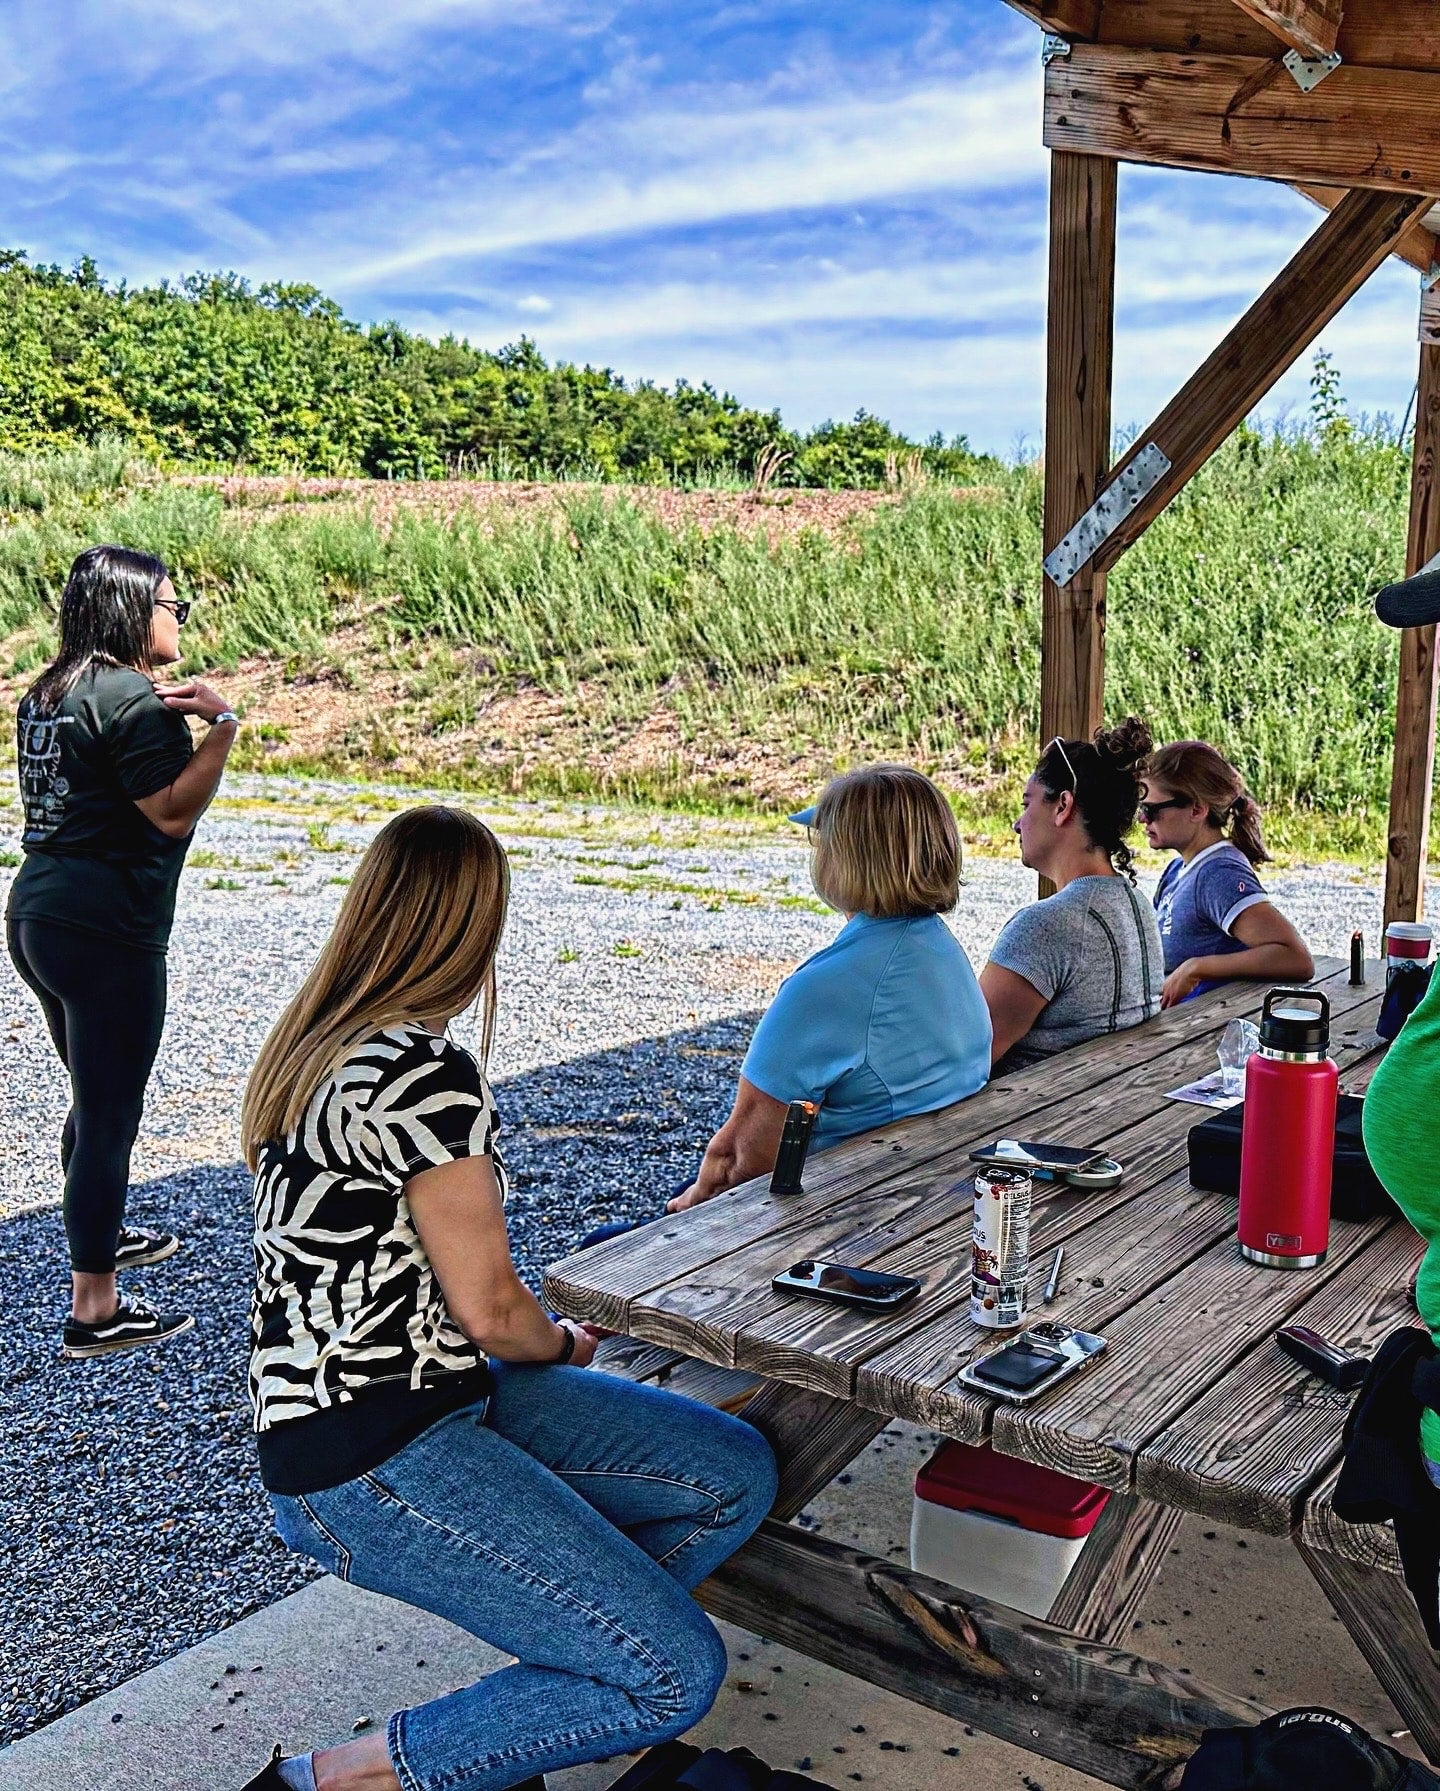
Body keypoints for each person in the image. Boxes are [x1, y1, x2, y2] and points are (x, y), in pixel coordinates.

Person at [239, 806, 777, 1791]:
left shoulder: (312, 1047)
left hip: (430, 1395)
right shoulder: (425, 1073)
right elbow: (491, 1309)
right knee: (673, 1676)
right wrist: (565, 1344)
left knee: (732, 1471)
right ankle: (328, 1780)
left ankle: (535, 1705)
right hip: (367, 1451)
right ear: (470, 930)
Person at [6, 544, 239, 1358]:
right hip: (107, 927)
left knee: (92, 1091)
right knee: (111, 1111)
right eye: (173, 604)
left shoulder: (49, 691)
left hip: (38, 913)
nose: (180, 617)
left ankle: (98, 1231)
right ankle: (94, 1308)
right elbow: (171, 811)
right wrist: (223, 727)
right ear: (133, 609)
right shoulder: (132, 697)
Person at [668, 765, 991, 1214]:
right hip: (930, 1186)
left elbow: (736, 1162)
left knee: (600, 1243)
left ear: (849, 859)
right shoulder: (939, 949)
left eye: (823, 843)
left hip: (849, 1208)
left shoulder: (828, 987)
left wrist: (680, 1209)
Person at [981, 719, 1163, 1073]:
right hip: (1105, 1093)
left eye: (1026, 804)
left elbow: (962, 1058)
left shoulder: (1046, 926)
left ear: (1063, 805)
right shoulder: (1136, 904)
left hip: (1035, 1105)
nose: (1017, 824)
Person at [1139, 740, 1313, 1007]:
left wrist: (1197, 967)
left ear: (1197, 809)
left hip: (1203, 1025)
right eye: (1141, 808)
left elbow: (1295, 958)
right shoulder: (1177, 870)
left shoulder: (1219, 874)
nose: (1142, 819)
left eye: (1151, 809)